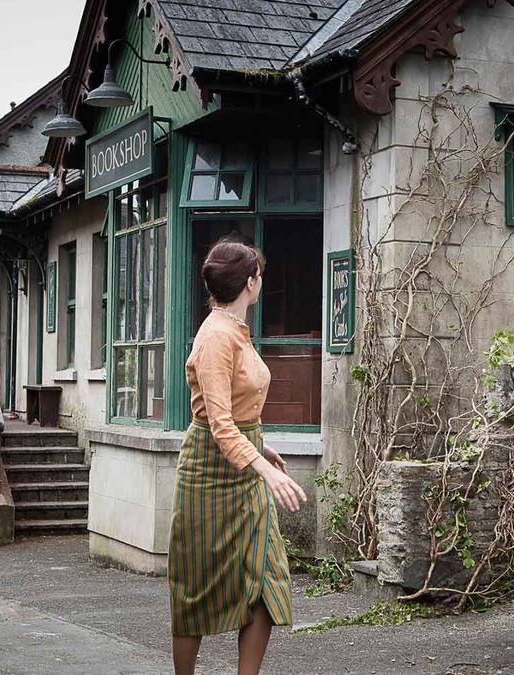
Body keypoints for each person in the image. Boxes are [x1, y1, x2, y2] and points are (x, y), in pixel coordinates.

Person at [168, 239, 309, 675]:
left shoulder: (236, 331)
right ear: (251, 283)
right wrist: (264, 467)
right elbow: (218, 423)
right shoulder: (215, 336)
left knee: (268, 580)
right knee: (195, 587)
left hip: (244, 467)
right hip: (208, 475)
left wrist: (261, 444)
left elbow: (235, 413)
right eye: (260, 274)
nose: (262, 280)